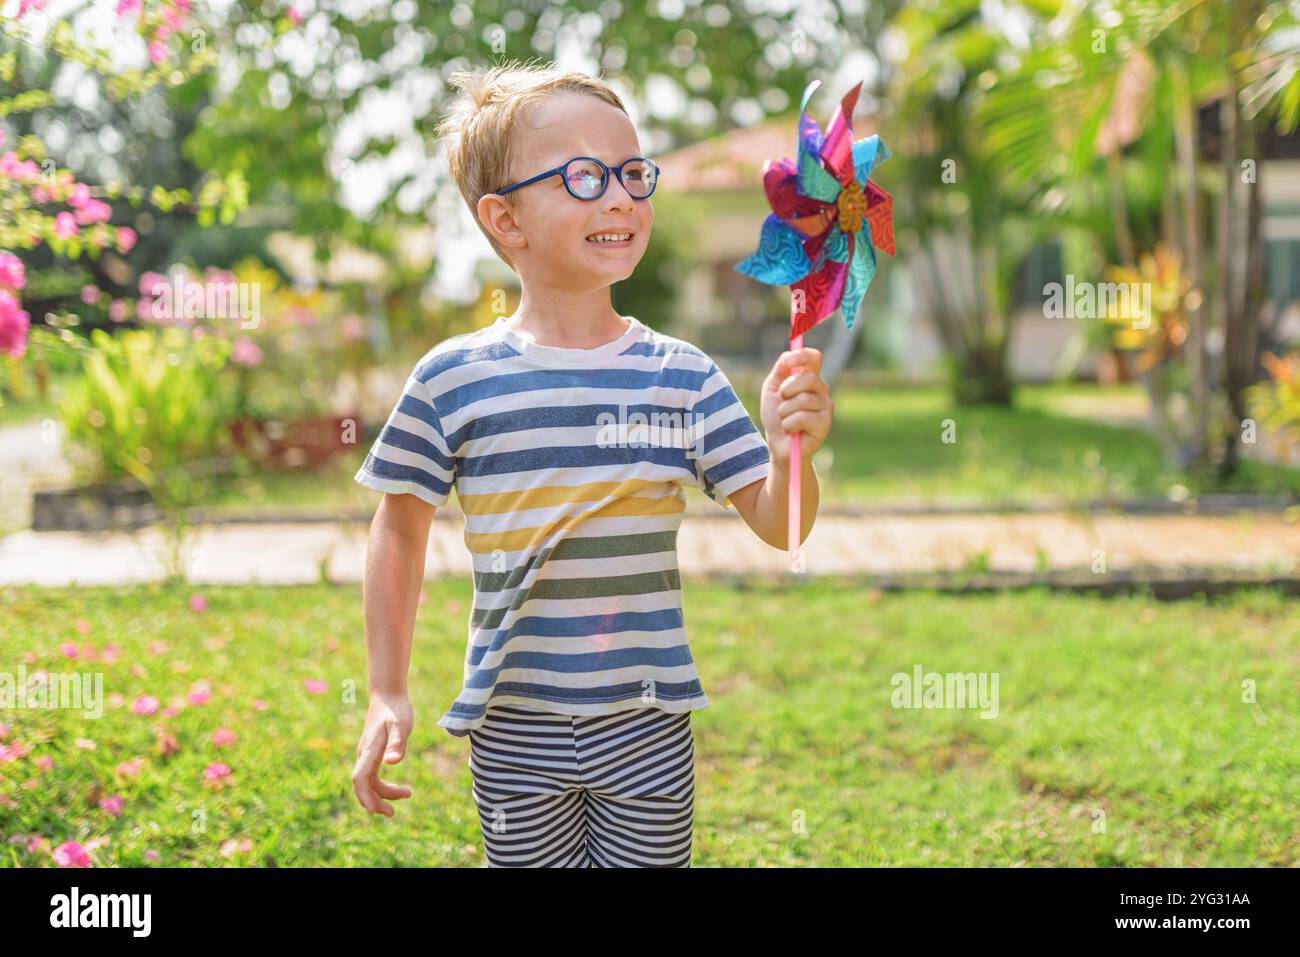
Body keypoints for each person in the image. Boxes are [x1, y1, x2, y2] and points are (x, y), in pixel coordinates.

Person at [350, 60, 833, 867]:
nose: (621, 197)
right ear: (506, 220)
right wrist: (385, 686)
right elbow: (399, 532)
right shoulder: (451, 380)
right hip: (512, 726)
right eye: (584, 176)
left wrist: (795, 452)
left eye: (633, 173)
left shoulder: (682, 375)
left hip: (647, 725)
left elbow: (783, 525)